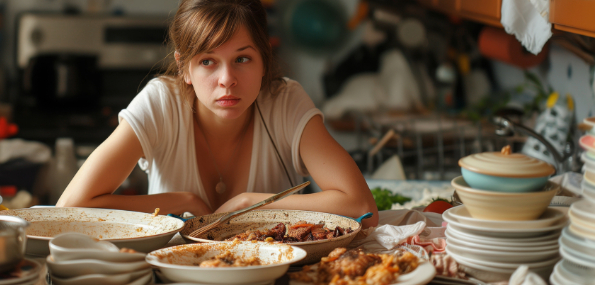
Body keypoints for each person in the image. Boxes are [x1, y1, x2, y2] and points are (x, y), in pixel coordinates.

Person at [56, 0, 379, 228]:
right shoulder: (161, 102)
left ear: (264, 60)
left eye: (242, 59)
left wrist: (249, 203)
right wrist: (183, 201)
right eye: (208, 61)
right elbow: (69, 209)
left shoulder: (284, 100)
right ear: (184, 68)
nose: (227, 80)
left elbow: (362, 207)